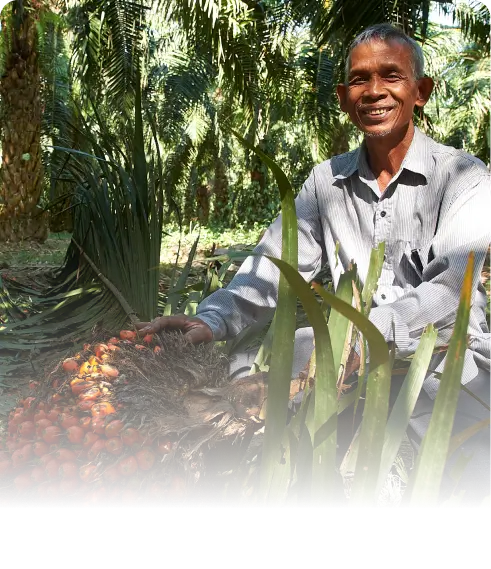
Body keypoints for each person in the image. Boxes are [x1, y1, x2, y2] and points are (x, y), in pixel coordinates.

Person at [137, 24, 491, 506]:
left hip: (443, 358)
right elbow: (275, 265)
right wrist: (214, 317)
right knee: (264, 388)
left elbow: (450, 290)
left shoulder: (465, 177)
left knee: (476, 485)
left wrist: (350, 341)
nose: (374, 91)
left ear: (421, 92)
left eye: (392, 75)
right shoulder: (327, 183)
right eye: (360, 79)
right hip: (340, 362)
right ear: (345, 97)